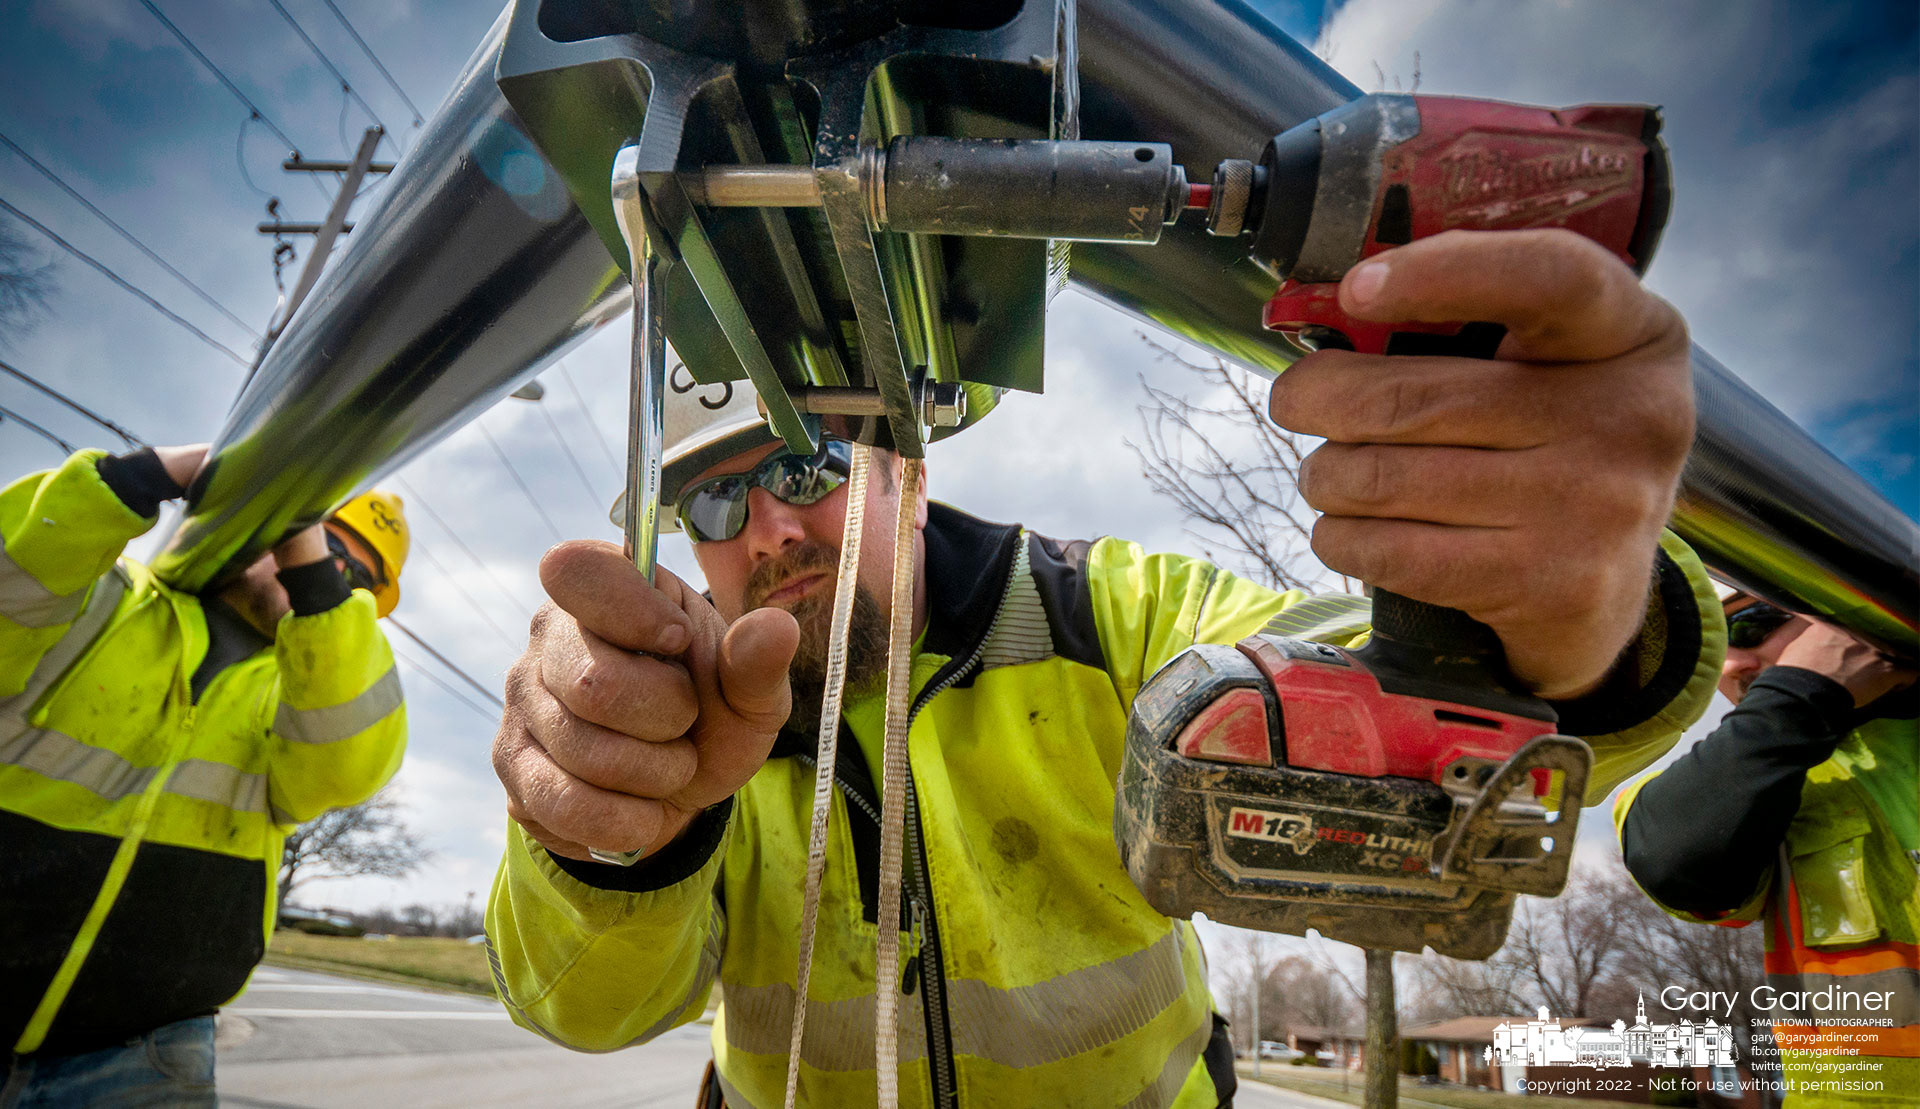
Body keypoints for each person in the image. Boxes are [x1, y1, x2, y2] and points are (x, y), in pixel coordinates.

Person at [486, 230, 1724, 1107]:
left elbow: (1360, 677)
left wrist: (1539, 635)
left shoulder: (1106, 615)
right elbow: (579, 1009)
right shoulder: (669, 727)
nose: (767, 531)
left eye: (807, 467)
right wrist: (620, 835)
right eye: (709, 504)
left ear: (908, 475)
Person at [0, 443, 411, 1106]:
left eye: (355, 581)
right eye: (328, 545)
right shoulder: (106, 597)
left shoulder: (304, 704)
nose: (334, 575)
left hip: (144, 1050)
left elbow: (350, 763)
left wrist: (312, 572)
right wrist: (134, 479)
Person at [1617, 590, 1919, 1103]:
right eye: (1709, 646)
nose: (1731, 662)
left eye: (1752, 625)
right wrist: (1798, 696)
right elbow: (1676, 863)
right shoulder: (1753, 778)